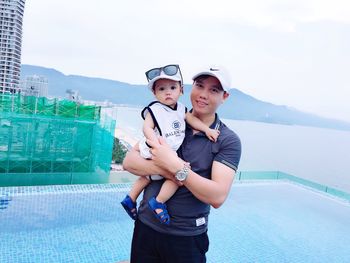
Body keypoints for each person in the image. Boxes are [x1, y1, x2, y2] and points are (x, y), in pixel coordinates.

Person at [122, 65, 242, 262]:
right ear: (190, 87)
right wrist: (167, 168)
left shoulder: (226, 139)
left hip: (186, 238)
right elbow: (129, 162)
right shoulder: (169, 119)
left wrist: (176, 167)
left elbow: (218, 196)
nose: (203, 94)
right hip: (145, 227)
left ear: (225, 96)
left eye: (213, 90)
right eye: (200, 85)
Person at [121, 64, 220, 225]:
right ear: (154, 93)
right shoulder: (155, 109)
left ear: (181, 90)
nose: (168, 92)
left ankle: (130, 199)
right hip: (158, 147)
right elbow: (147, 127)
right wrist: (156, 144)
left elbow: (192, 120)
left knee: (146, 176)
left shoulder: (181, 109)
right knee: (178, 176)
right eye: (161, 89)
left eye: (172, 87)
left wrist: (206, 130)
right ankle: (159, 202)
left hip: (161, 149)